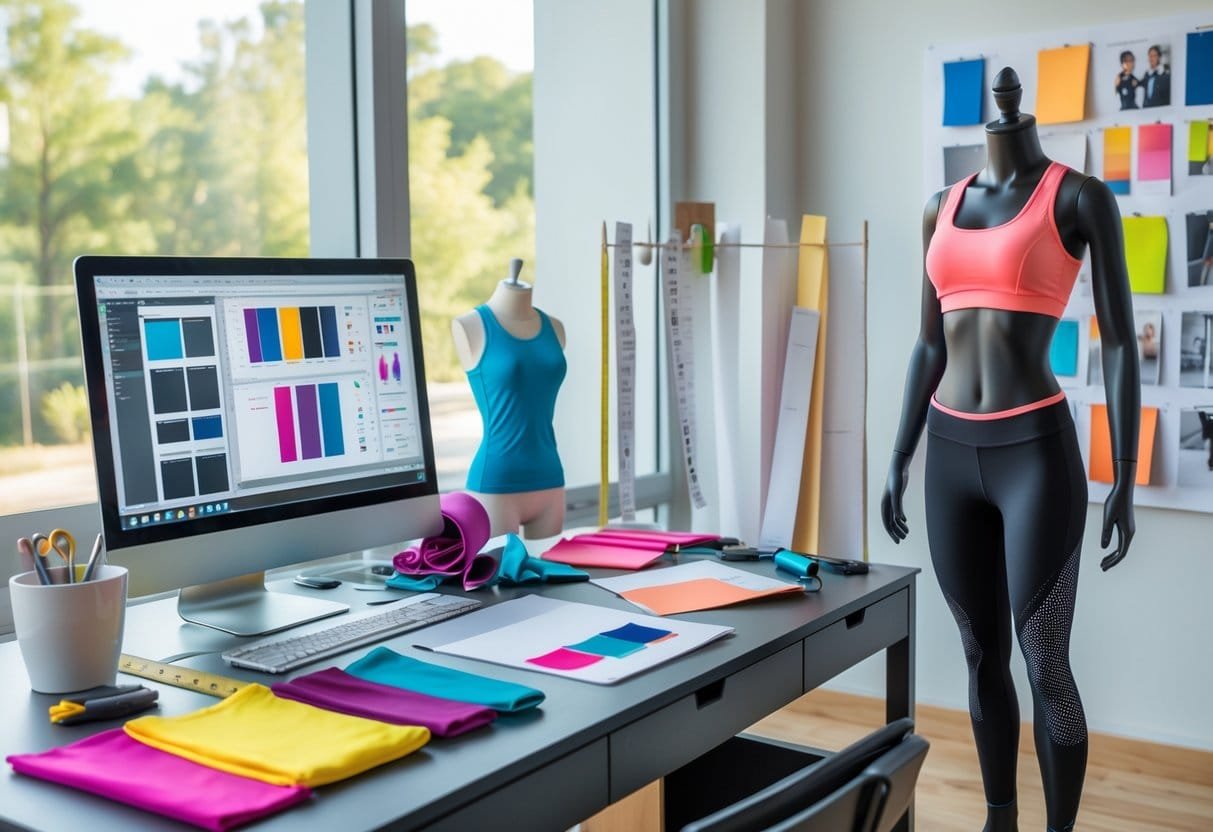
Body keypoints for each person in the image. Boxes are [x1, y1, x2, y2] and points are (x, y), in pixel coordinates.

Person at [883, 68, 1139, 832]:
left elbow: (1121, 342)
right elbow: (928, 344)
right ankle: (1001, 819)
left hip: (1034, 453)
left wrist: (1124, 474)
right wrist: (899, 454)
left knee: (1044, 664)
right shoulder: (940, 208)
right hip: (949, 456)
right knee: (977, 656)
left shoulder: (1077, 196)